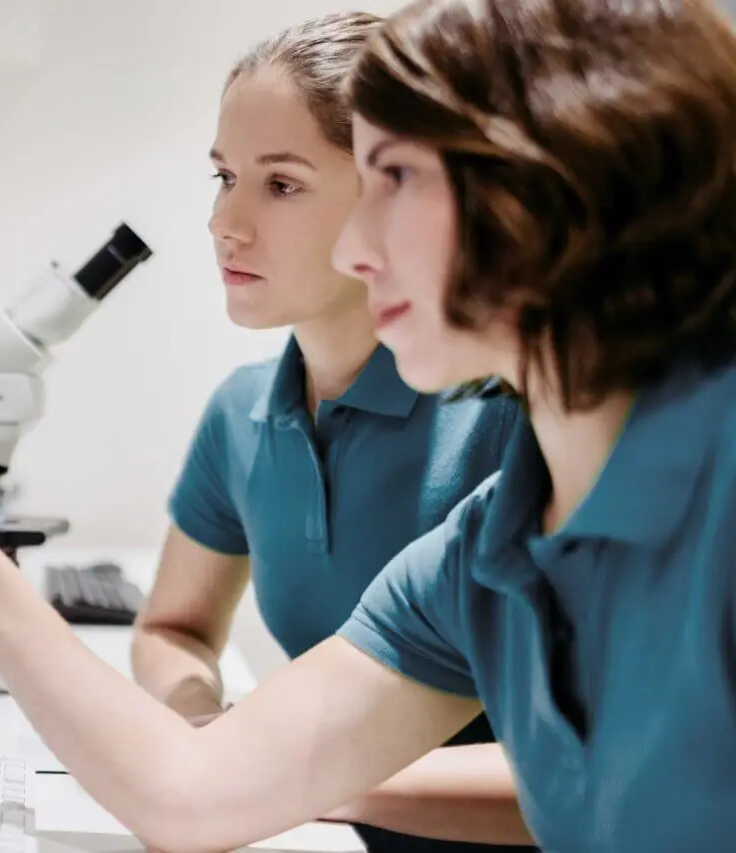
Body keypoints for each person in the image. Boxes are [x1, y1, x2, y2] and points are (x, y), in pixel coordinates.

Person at [0, 0, 736, 850]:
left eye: (391, 178)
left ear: (547, 187)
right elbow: (191, 796)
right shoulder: (490, 542)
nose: (357, 248)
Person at [129, 13, 532, 850]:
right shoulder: (240, 413)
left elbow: (595, 772)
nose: (224, 223)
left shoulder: (510, 417)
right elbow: (173, 628)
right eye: (223, 176)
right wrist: (206, 722)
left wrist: (286, 776)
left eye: (280, 185)